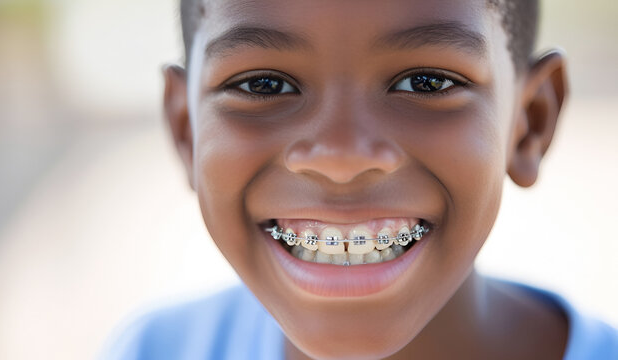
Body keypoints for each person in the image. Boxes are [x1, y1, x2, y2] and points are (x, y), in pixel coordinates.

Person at [103, 0, 618, 358]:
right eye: (263, 85)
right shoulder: (155, 350)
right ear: (186, 129)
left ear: (530, 122)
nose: (341, 157)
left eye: (426, 83)